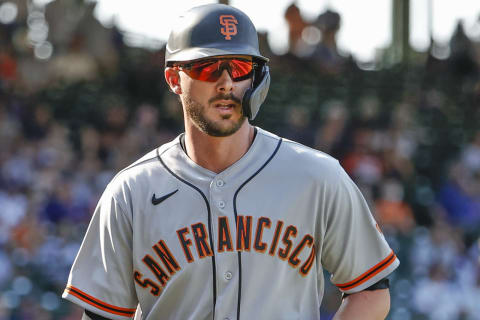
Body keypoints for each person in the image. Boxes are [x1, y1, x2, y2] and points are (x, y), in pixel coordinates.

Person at [63, 4, 399, 320]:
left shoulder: (318, 175)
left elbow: (370, 291)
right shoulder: (130, 192)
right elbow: (101, 314)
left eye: (239, 67)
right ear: (174, 79)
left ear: (256, 77)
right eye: (209, 67)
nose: (227, 83)